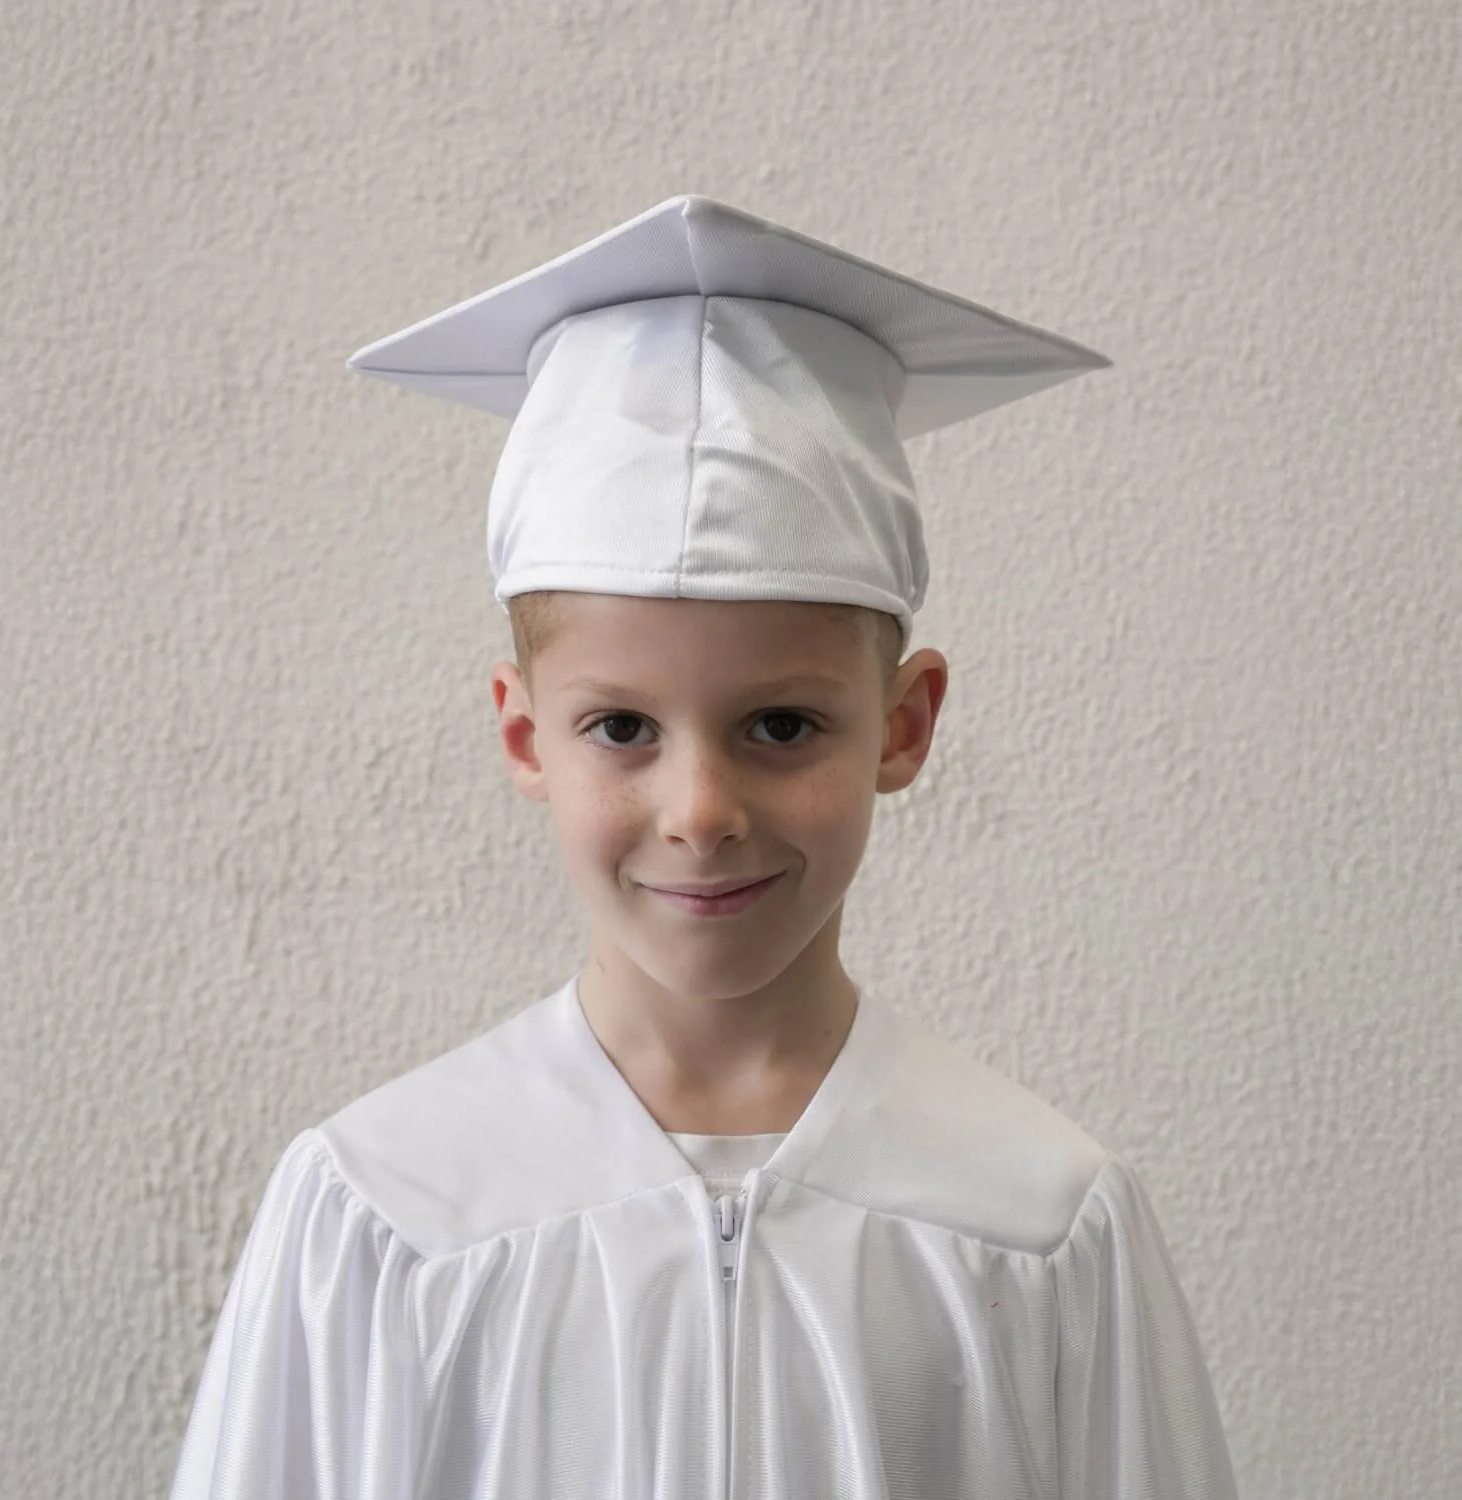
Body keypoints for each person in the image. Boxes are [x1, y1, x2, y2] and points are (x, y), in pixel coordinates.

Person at [167, 195, 1239, 1498]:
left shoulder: (1039, 1218)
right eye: (621, 727)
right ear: (524, 738)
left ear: (904, 727)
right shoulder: (384, 1210)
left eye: (781, 725)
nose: (700, 811)